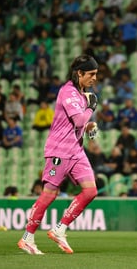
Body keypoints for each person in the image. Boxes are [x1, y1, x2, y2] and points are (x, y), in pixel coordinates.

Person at [18, 55, 99, 255]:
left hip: (76, 150)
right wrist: (90, 109)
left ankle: (60, 229)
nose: (95, 78)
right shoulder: (68, 92)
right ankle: (27, 238)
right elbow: (79, 120)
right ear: (80, 73)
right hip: (60, 151)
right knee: (49, 194)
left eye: (96, 74)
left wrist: (90, 126)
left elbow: (80, 124)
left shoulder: (82, 94)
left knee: (90, 191)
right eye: (91, 74)